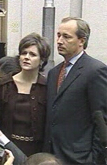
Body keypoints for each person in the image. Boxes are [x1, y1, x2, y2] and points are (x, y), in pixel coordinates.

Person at [44, 17, 107, 164]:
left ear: (81, 41)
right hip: (52, 155)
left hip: (80, 158)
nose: (59, 41)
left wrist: (94, 158)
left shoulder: (95, 71)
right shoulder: (54, 73)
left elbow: (101, 119)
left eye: (66, 37)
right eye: (59, 35)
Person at [0, 32, 51, 157]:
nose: (26, 57)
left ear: (42, 60)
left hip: (38, 151)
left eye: (32, 54)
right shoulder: (4, 86)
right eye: (24, 53)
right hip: (7, 148)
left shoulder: (48, 87)